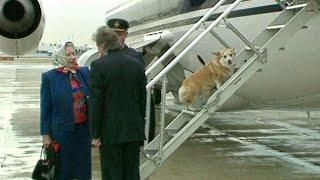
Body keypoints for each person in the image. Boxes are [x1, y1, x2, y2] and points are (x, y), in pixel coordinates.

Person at [90, 26, 146, 180]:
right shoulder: (137, 65)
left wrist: (95, 134)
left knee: (112, 175)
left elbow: (96, 102)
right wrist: (141, 129)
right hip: (133, 132)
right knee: (132, 175)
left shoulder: (98, 66)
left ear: (102, 45)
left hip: (110, 134)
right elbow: (142, 100)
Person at [40, 42, 91, 179]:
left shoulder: (84, 72)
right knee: (63, 172)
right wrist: (45, 134)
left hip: (83, 131)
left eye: (73, 53)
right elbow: (46, 108)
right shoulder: (50, 77)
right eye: (68, 54)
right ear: (60, 56)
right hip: (62, 132)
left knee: (83, 171)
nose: (72, 57)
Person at [107, 18, 156, 142]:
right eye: (113, 34)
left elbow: (141, 91)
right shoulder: (102, 57)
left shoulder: (135, 57)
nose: (116, 37)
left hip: (129, 117)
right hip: (110, 117)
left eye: (119, 34)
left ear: (125, 35)